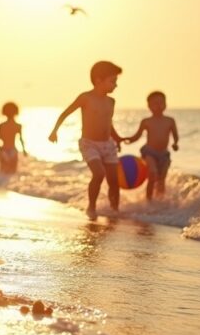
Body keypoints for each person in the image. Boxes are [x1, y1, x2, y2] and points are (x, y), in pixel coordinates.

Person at [48, 61, 124, 219]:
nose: (116, 85)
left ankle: (114, 211)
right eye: (112, 81)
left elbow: (108, 123)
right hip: (89, 144)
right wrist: (54, 131)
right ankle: (91, 207)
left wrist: (117, 138)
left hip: (108, 144)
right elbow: (65, 113)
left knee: (114, 179)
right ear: (98, 80)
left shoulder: (111, 102)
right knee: (99, 173)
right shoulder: (86, 98)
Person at [123, 91, 179, 201]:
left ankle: (159, 200)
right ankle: (149, 200)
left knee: (162, 178)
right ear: (149, 106)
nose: (159, 106)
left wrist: (175, 143)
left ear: (166, 104)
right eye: (155, 103)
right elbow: (137, 136)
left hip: (164, 154)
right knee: (152, 174)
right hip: (149, 152)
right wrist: (128, 140)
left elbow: (175, 135)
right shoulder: (146, 121)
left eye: (161, 103)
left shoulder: (170, 121)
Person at [0, 101, 27, 174]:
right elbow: (21, 139)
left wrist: (0, 149)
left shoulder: (1, 125)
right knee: (12, 172)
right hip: (13, 150)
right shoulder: (18, 126)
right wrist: (24, 150)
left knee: (2, 171)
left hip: (3, 150)